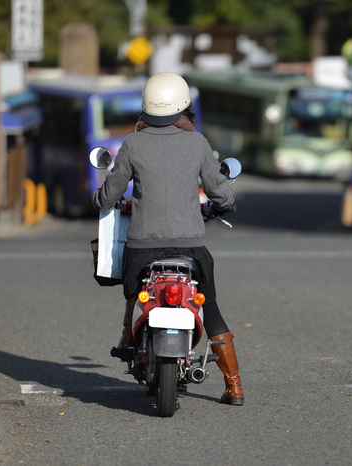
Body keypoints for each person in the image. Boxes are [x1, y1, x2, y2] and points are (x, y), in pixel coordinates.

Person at [91, 72, 243, 406]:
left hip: (143, 250)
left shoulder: (132, 144)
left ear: (146, 107)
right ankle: (234, 387)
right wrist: (227, 204)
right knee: (210, 305)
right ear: (183, 104)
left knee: (137, 292)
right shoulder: (198, 143)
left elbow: (108, 195)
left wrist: (100, 199)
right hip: (190, 248)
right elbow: (220, 192)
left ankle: (129, 340)